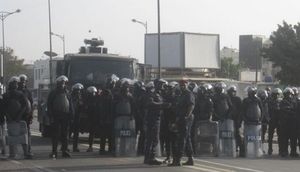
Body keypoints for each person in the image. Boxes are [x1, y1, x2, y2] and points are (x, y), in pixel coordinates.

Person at [168, 79, 195, 166]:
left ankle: (177, 159)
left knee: (182, 138)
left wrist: (186, 117)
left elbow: (191, 106)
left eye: (184, 84)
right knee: (187, 139)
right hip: (181, 118)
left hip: (186, 118)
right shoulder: (182, 94)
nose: (183, 86)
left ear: (187, 85)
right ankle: (190, 158)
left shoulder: (189, 94)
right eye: (181, 85)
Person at [3, 76, 31, 159]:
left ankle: (26, 152)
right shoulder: (6, 95)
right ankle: (12, 153)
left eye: (16, 83)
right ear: (10, 84)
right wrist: (9, 117)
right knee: (12, 136)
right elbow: (3, 108)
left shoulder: (21, 94)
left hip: (21, 119)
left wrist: (19, 116)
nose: (15, 85)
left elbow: (25, 106)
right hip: (10, 119)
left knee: (23, 136)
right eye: (13, 83)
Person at [144, 78, 169, 165]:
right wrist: (161, 104)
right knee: (151, 138)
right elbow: (150, 103)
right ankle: (147, 157)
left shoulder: (160, 93)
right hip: (152, 118)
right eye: (160, 83)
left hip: (158, 118)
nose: (162, 85)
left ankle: (152, 157)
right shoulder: (152, 92)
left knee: (155, 139)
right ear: (156, 84)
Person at [47, 75, 74, 158]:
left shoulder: (67, 92)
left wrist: (72, 115)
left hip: (65, 115)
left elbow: (71, 104)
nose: (63, 84)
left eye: (64, 83)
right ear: (57, 83)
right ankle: (54, 151)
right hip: (56, 115)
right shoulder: (53, 93)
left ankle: (65, 150)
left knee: (65, 134)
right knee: (55, 134)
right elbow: (49, 105)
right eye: (61, 83)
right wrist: (50, 116)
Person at [161, 81, 179, 163]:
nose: (169, 91)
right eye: (168, 89)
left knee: (174, 140)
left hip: (174, 121)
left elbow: (179, 108)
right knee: (166, 140)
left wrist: (172, 107)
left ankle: (175, 156)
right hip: (165, 120)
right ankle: (168, 156)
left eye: (171, 89)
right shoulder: (164, 97)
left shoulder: (177, 98)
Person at [17, 74, 34, 158]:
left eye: (24, 82)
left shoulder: (28, 92)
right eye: (21, 82)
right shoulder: (16, 92)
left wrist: (31, 114)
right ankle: (14, 151)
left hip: (26, 115)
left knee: (27, 134)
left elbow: (31, 103)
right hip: (16, 115)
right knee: (16, 133)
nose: (22, 83)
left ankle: (28, 150)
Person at [280, 87, 298, 157]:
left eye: (290, 94)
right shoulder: (282, 102)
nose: (289, 95)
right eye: (287, 94)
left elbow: (296, 110)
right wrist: (291, 110)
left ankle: (293, 151)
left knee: (293, 138)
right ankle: (284, 151)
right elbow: (284, 110)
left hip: (293, 123)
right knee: (285, 138)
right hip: (285, 122)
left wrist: (290, 109)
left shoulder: (294, 102)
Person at [227, 85, 244, 157]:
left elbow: (241, 110)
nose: (232, 93)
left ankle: (242, 150)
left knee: (237, 134)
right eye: (231, 92)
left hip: (236, 119)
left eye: (233, 92)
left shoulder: (238, 99)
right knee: (227, 134)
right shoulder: (226, 98)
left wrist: (240, 120)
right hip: (227, 119)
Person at [85, 86, 101, 152]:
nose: (93, 94)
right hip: (91, 118)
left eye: (94, 92)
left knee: (102, 133)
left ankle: (101, 148)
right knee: (92, 133)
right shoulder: (87, 100)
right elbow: (84, 109)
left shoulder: (98, 99)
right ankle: (90, 146)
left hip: (98, 117)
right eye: (91, 93)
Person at [133, 80, 146, 156]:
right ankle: (133, 148)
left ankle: (141, 149)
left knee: (143, 134)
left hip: (142, 117)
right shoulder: (133, 96)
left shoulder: (143, 96)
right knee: (134, 134)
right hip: (136, 118)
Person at [70, 83, 84, 152]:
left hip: (77, 115)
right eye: (77, 90)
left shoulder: (80, 97)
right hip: (71, 115)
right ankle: (65, 147)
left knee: (76, 133)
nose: (78, 91)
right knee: (68, 132)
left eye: (79, 90)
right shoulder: (71, 97)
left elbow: (80, 106)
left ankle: (75, 147)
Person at [267, 88, 282, 155]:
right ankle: (270, 149)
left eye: (278, 94)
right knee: (270, 136)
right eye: (275, 94)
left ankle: (280, 149)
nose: (276, 96)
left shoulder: (281, 101)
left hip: (279, 120)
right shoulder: (270, 101)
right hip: (272, 119)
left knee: (280, 135)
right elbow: (269, 110)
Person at [257, 89, 270, 154]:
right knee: (258, 135)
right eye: (263, 96)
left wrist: (268, 119)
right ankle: (258, 148)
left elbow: (266, 112)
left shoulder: (266, 103)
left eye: (265, 96)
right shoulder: (258, 102)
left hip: (264, 120)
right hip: (258, 120)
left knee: (263, 135)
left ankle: (261, 148)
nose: (264, 97)